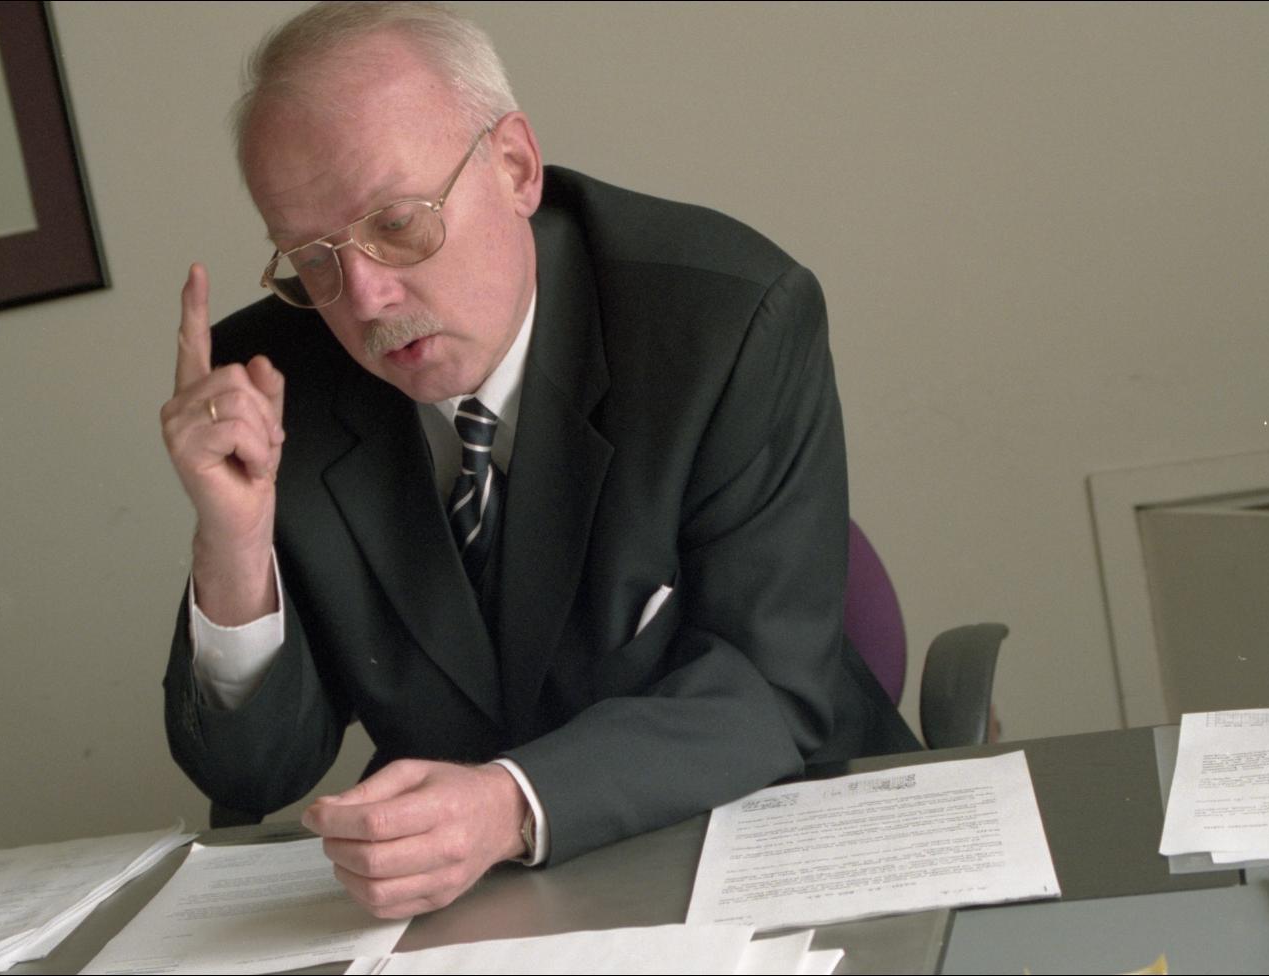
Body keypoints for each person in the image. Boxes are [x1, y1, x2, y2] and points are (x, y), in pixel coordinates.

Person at [160, 1, 916, 920]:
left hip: (775, 839)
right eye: (311, 258)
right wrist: (233, 543)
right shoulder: (278, 381)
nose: (363, 298)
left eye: (396, 223)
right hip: (487, 906)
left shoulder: (724, 321)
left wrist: (509, 805)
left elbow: (767, 686)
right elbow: (256, 775)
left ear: (515, 167)